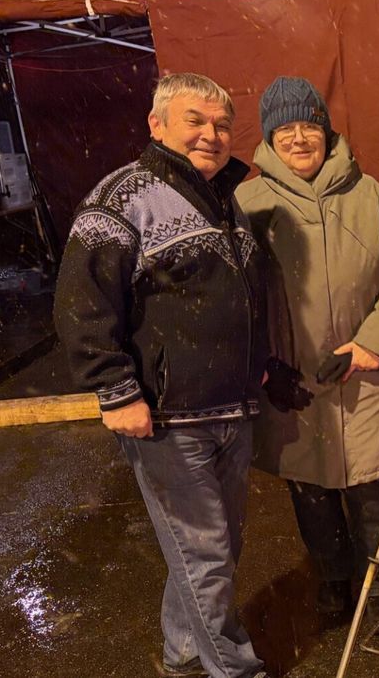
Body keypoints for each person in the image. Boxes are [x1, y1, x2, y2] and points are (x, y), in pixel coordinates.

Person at [55, 73, 270, 678]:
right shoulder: (123, 199)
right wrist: (116, 389)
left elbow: (242, 304)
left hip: (230, 409)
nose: (212, 134)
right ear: (157, 125)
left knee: (210, 552)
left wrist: (264, 367)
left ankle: (183, 654)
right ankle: (235, 670)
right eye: (195, 120)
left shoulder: (226, 200)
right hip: (168, 418)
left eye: (222, 124)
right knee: (205, 554)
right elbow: (83, 303)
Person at [236, 76, 379, 634]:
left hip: (369, 379)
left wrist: (372, 341)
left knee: (375, 494)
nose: (299, 139)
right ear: (270, 138)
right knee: (313, 498)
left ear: (325, 130)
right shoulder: (246, 204)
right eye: (285, 129)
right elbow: (231, 298)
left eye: (309, 126)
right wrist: (263, 366)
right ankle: (332, 579)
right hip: (292, 385)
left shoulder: (368, 196)